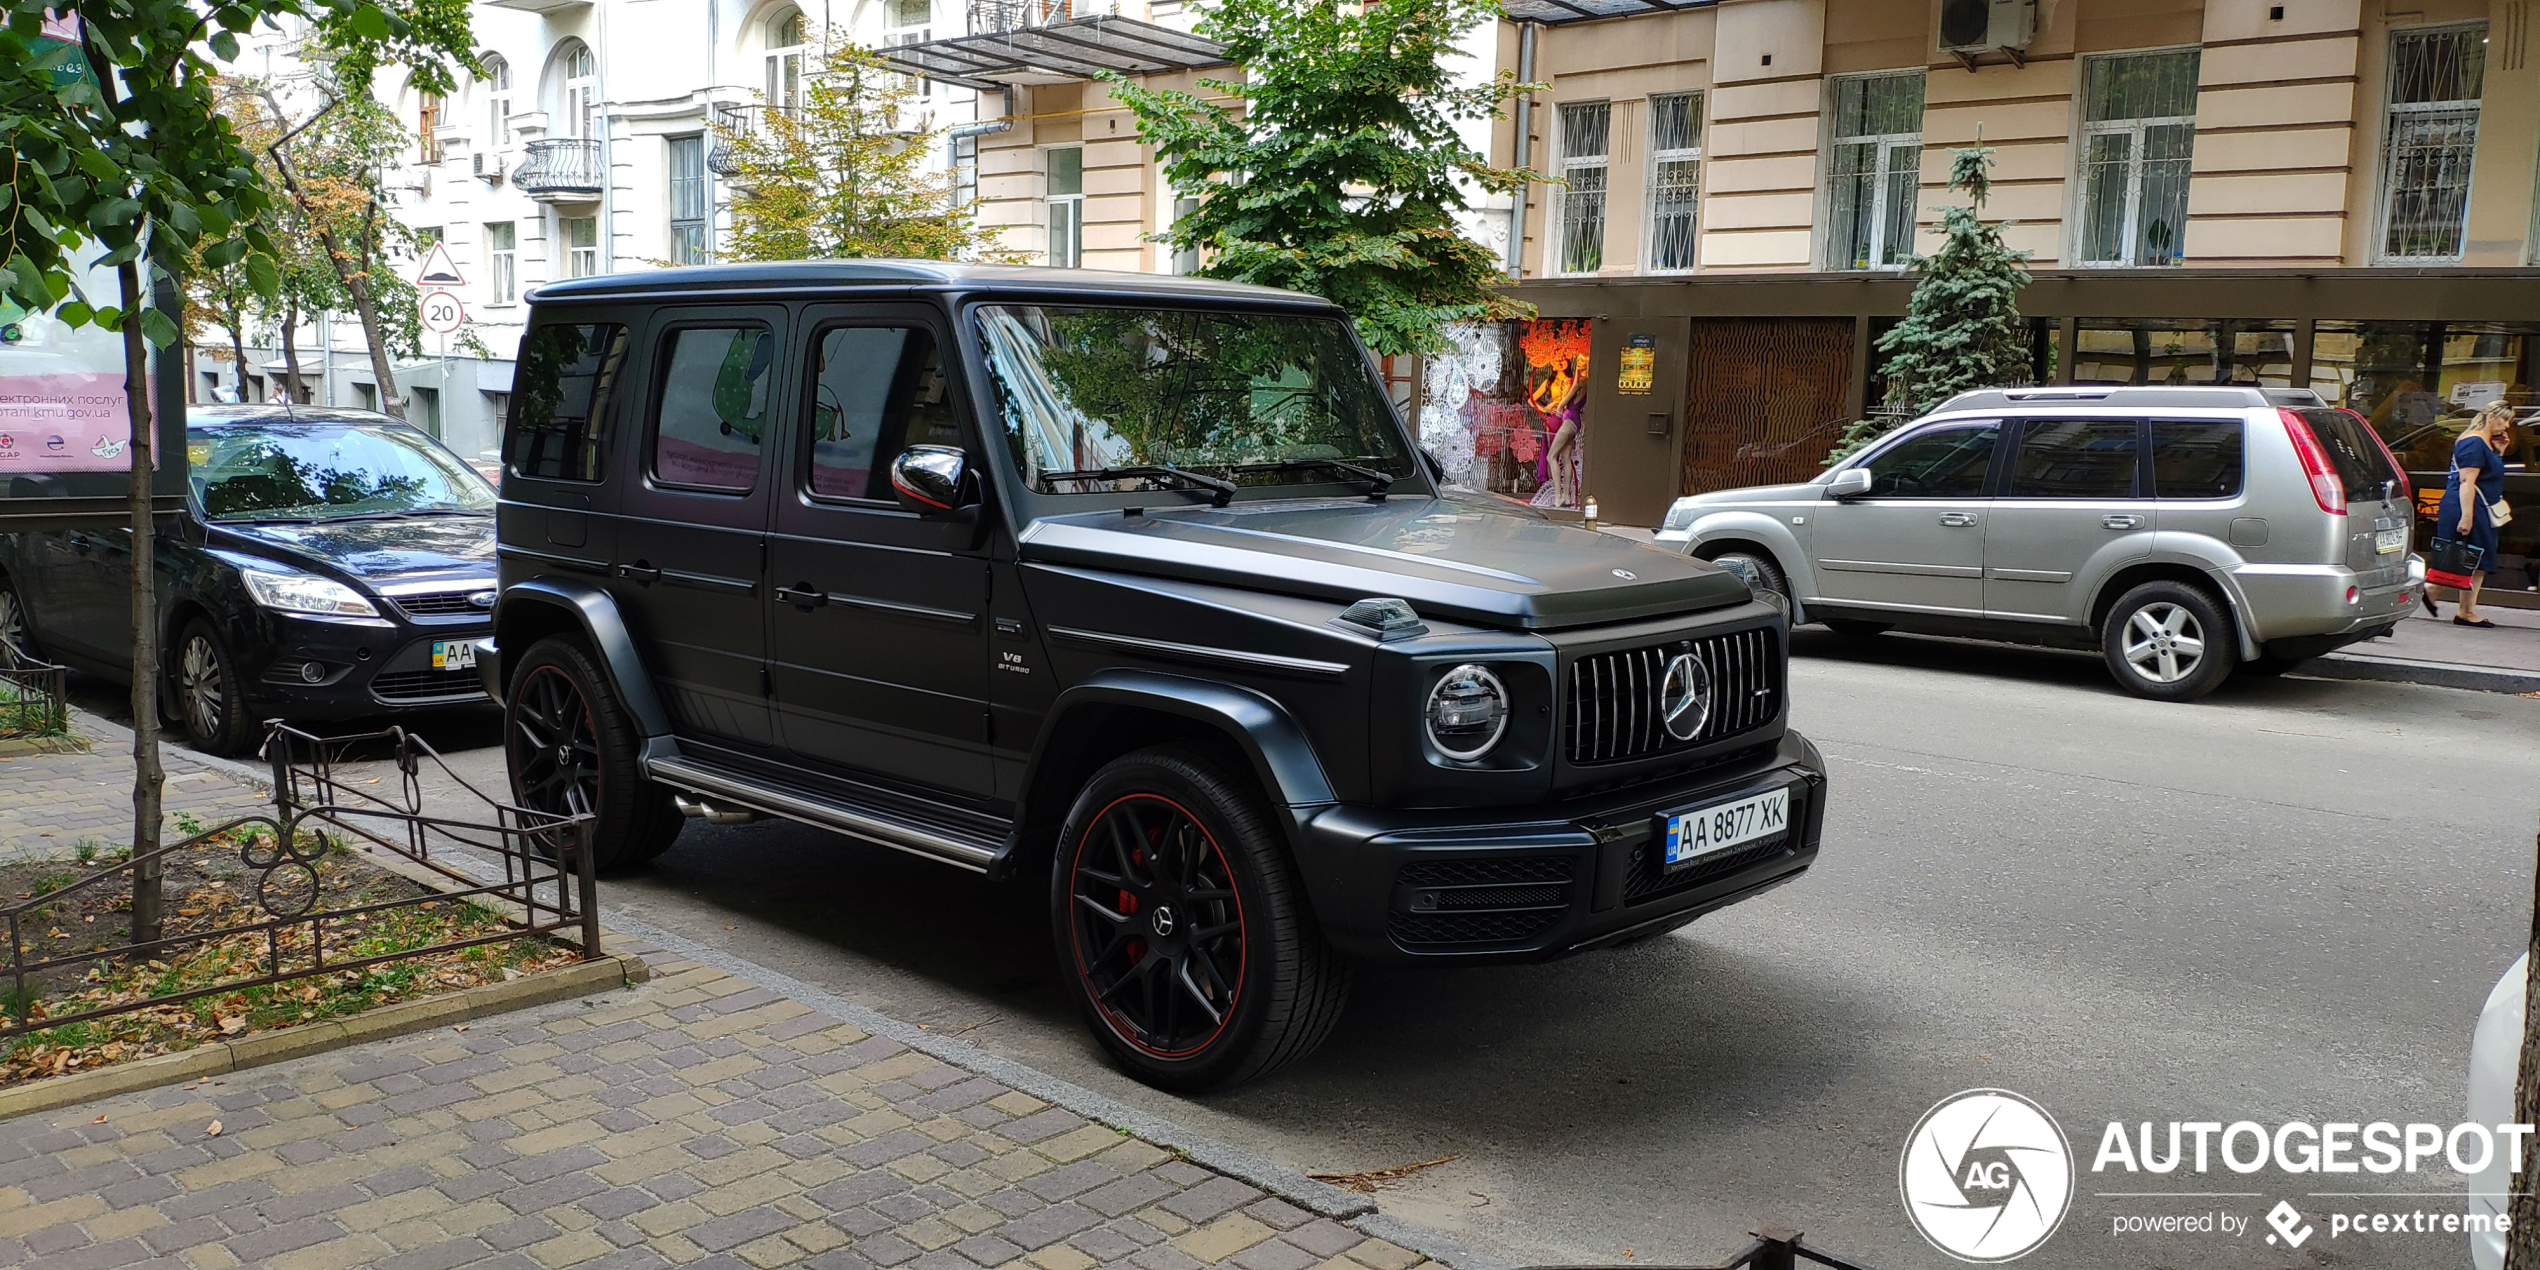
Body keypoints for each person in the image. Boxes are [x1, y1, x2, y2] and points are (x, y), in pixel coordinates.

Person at [2435, 401, 2515, 627]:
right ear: (2491, 417)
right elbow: (2466, 481)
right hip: (2470, 505)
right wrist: (2467, 516)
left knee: (2473, 558)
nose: (2506, 426)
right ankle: (2457, 608)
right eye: (2504, 419)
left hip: (2476, 505)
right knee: (2469, 558)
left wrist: (2499, 452)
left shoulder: (2482, 442)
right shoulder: (2474, 442)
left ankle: (2464, 610)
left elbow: (2486, 476)